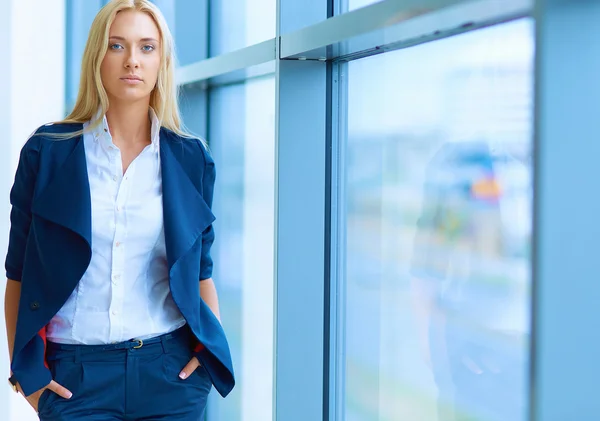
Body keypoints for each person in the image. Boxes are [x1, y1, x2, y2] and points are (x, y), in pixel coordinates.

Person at [3, 0, 234, 419]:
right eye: (117, 46)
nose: (132, 61)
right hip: (76, 379)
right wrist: (29, 379)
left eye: (147, 47)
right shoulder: (47, 152)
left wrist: (206, 354)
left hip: (171, 375)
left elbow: (201, 273)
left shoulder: (191, 158)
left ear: (161, 60)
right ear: (97, 56)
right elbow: (18, 274)